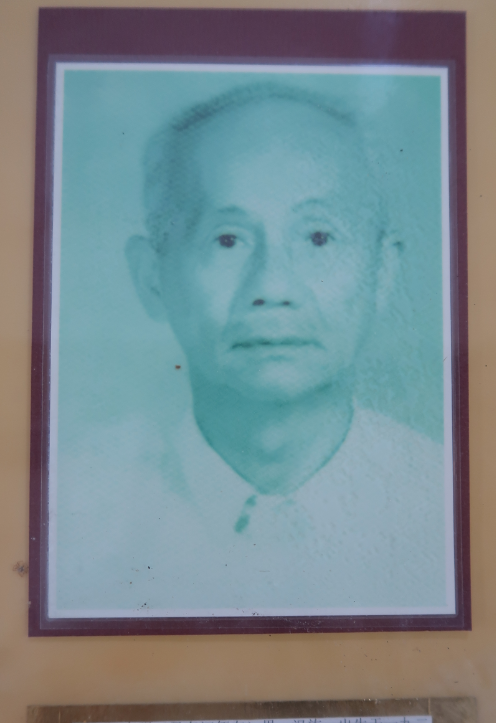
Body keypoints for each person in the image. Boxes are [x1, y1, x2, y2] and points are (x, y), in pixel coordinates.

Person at [56, 83, 447, 615]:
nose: (273, 286)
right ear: (152, 278)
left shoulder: (452, 506)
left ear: (383, 273)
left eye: (318, 237)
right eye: (228, 240)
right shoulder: (67, 513)